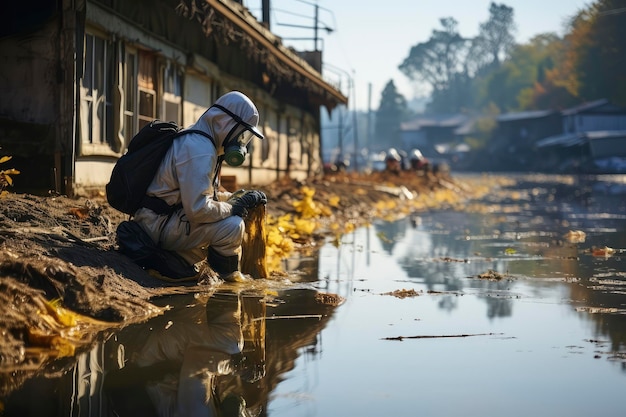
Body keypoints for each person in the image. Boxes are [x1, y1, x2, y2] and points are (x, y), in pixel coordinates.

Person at [117, 91, 267, 281]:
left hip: (160, 220)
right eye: (242, 134)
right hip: (158, 226)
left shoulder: (201, 141)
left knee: (226, 216)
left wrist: (235, 197)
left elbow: (204, 195)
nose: (242, 142)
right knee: (232, 226)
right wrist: (233, 207)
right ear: (225, 123)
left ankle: (179, 261)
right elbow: (198, 209)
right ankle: (228, 280)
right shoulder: (200, 150)